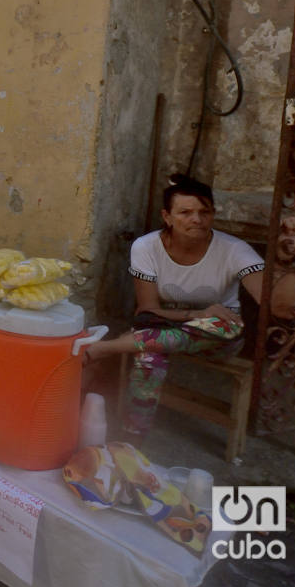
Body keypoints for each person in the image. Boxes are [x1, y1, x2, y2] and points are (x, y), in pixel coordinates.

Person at [85, 174, 264, 438]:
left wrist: (282, 265)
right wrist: (197, 313)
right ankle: (133, 435)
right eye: (185, 212)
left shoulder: (234, 250)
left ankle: (106, 348)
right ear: (167, 216)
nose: (197, 219)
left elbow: (268, 298)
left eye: (204, 212)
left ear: (213, 214)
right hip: (164, 327)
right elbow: (147, 310)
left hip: (214, 337)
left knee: (222, 325)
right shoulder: (146, 248)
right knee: (148, 354)